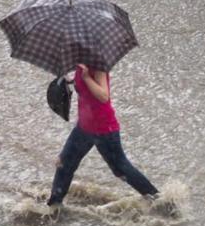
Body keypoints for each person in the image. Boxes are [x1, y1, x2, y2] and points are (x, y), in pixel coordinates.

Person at [47, 64, 162, 209]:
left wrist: (87, 78)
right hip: (84, 127)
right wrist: (69, 81)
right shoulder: (80, 64)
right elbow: (83, 88)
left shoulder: (98, 65)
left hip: (103, 129)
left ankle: (158, 200)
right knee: (64, 164)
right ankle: (54, 206)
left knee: (120, 168)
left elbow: (103, 96)